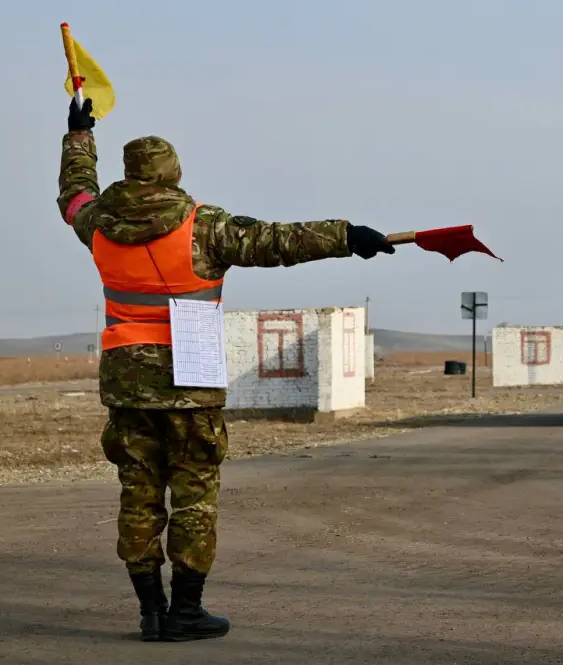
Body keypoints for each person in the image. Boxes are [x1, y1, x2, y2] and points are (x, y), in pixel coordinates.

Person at [56, 98, 395, 642]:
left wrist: (78, 137)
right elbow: (280, 241)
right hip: (191, 385)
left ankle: (149, 611)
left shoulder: (97, 224)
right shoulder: (203, 226)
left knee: (137, 493)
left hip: (127, 386)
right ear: (173, 174)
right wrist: (348, 235)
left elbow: (74, 194)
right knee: (194, 495)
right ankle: (186, 613)